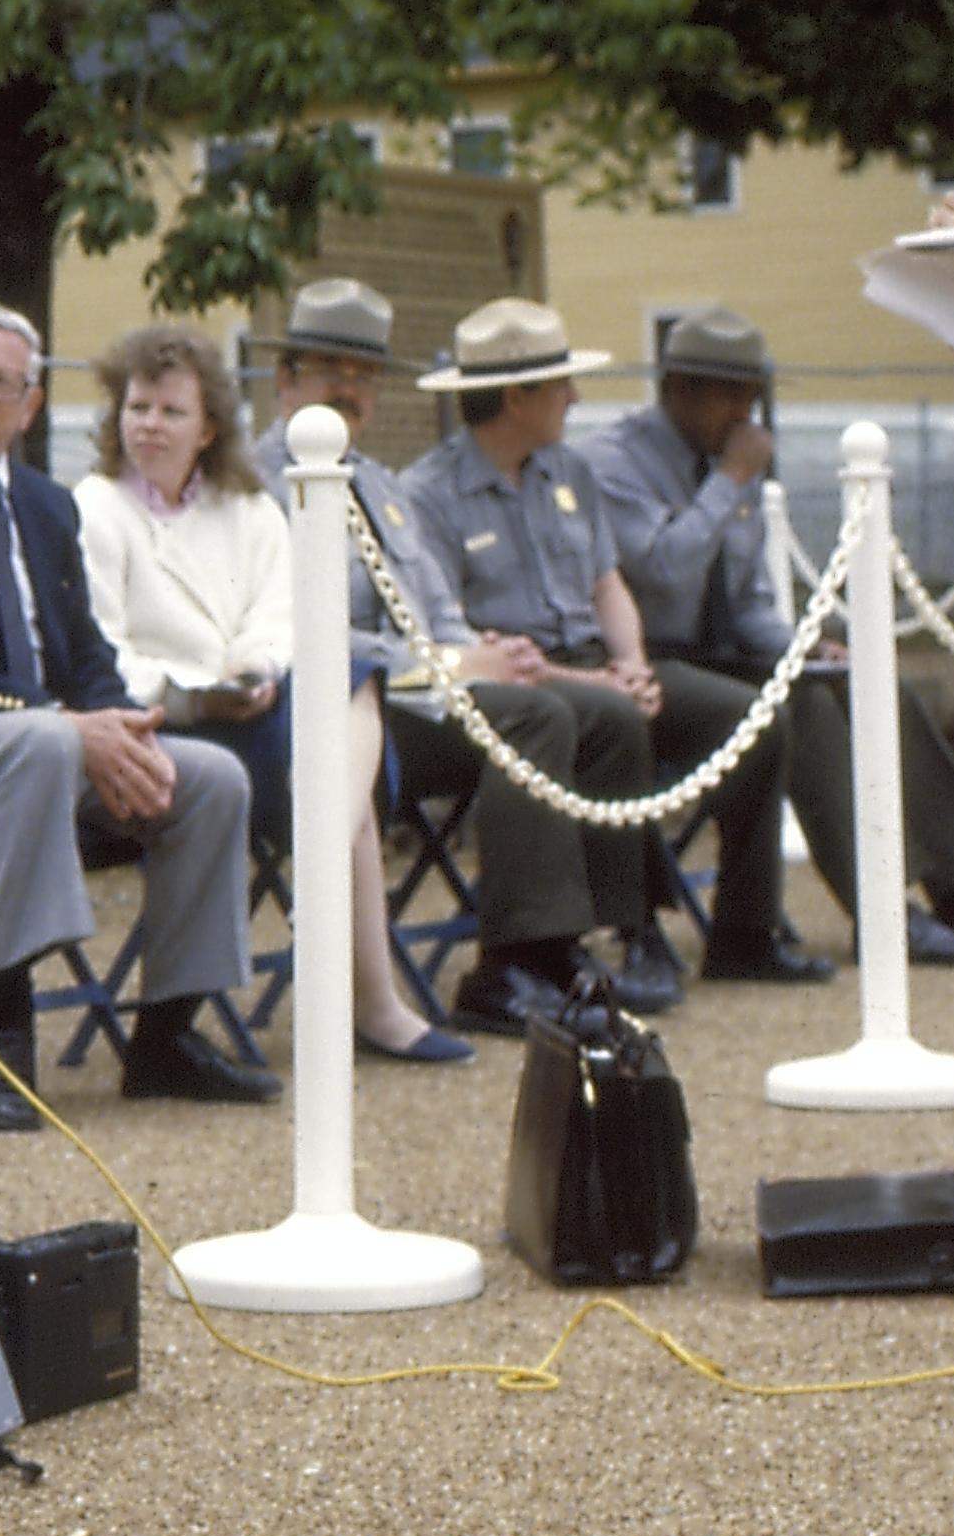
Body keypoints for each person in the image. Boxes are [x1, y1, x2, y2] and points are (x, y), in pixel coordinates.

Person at [0, 294, 281, 1130]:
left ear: (31, 403)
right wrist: (66, 727)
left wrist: (119, 725)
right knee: (36, 744)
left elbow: (86, 655)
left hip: (44, 751)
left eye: (2, 382)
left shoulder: (46, 505)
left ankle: (167, 1036)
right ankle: (7, 1020)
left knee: (208, 775)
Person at [261, 280, 665, 1041]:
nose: (350, 389)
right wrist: (458, 659)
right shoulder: (255, 484)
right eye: (328, 370)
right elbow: (290, 626)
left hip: (427, 695)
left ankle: (583, 944)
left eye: (366, 375)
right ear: (286, 380)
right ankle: (508, 963)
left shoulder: (380, 484)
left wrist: (479, 651)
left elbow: (434, 605)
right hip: (347, 712)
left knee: (600, 715)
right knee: (535, 716)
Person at [400, 297, 834, 1002]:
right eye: (560, 384)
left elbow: (608, 584)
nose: (575, 397)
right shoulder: (429, 493)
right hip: (518, 680)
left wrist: (629, 663)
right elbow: (455, 639)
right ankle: (627, 928)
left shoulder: (566, 471)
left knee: (752, 719)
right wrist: (602, 683)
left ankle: (745, 934)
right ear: (517, 396)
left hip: (599, 665)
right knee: (610, 718)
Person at [76, 319, 468, 1064]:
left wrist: (253, 671)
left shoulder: (247, 505)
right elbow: (101, 648)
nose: (150, 426)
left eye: (171, 411)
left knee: (348, 684)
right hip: (167, 723)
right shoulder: (94, 506)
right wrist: (198, 695)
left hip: (251, 709)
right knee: (331, 768)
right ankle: (374, 1000)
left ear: (209, 426)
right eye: (138, 408)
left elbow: (279, 616)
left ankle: (337, 903)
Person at [580, 307, 954, 968]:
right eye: (729, 394)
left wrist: (799, 645)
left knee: (862, 683)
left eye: (752, 395)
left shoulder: (731, 455)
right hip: (648, 659)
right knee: (801, 708)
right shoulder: (617, 462)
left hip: (728, 654)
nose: (744, 412)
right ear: (679, 390)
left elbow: (752, 600)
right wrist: (729, 483)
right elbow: (664, 571)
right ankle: (881, 913)